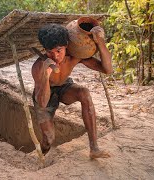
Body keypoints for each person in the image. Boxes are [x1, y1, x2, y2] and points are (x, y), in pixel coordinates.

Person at [31, 23, 113, 159]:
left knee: (84, 93)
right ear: (44, 49)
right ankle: (41, 156)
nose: (55, 56)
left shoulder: (75, 56)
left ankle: (94, 149)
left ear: (67, 46)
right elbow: (43, 103)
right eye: (50, 52)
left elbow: (107, 70)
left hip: (64, 87)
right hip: (44, 93)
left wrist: (101, 42)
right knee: (48, 139)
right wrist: (45, 75)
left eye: (59, 50)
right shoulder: (38, 67)